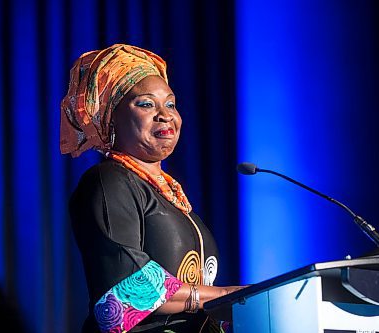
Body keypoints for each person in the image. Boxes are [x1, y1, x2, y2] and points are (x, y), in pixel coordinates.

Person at [60, 44, 245, 333]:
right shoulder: (108, 182)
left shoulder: (174, 200)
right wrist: (225, 296)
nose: (165, 115)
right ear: (112, 117)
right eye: (146, 104)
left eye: (170, 104)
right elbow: (124, 294)